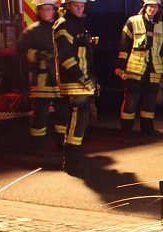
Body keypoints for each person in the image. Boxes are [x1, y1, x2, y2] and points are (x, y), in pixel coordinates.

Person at [17, 0, 68, 155]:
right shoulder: (31, 32)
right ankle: (38, 146)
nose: (47, 12)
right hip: (42, 79)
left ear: (54, 10)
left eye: (49, 9)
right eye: (44, 9)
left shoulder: (60, 28)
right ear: (38, 11)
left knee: (63, 113)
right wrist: (38, 55)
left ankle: (62, 144)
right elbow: (22, 53)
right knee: (40, 114)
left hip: (60, 78)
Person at [53, 0, 98, 174]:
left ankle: (74, 158)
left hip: (82, 81)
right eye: (75, 5)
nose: (80, 8)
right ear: (68, 6)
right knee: (76, 122)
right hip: (74, 82)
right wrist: (81, 77)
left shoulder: (78, 25)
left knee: (80, 122)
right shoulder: (64, 25)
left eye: (82, 5)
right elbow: (65, 56)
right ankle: (71, 161)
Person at [115, 0, 163, 136]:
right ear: (144, 7)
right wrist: (120, 66)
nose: (152, 9)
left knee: (150, 101)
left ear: (159, 8)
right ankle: (126, 129)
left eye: (155, 6)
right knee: (131, 100)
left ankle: (148, 129)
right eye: (150, 6)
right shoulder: (133, 21)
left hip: (154, 69)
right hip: (135, 68)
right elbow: (124, 46)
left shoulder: (161, 25)